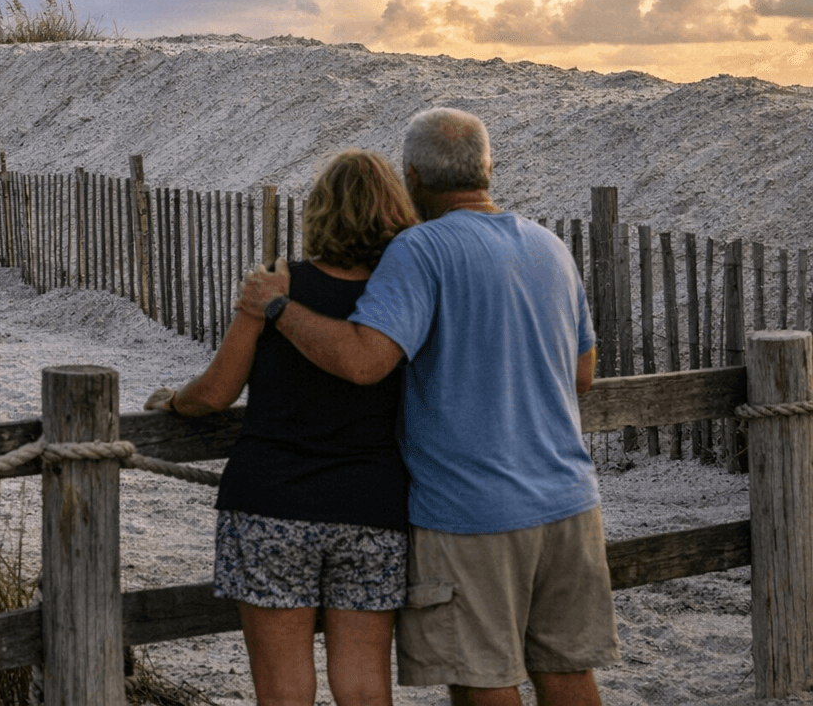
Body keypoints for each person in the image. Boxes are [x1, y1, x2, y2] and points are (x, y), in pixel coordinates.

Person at [239, 108, 617, 706]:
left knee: (481, 678)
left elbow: (366, 361)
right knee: (568, 673)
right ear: (487, 168)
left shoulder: (421, 249)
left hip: (473, 510)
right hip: (569, 500)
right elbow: (583, 372)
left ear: (413, 175)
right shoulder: (548, 245)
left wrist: (280, 309)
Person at [147, 150, 418, 706]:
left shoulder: (276, 286)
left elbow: (217, 392)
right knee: (366, 683)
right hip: (372, 505)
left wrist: (175, 400)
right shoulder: (401, 296)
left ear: (319, 210)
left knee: (283, 688)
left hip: (272, 504)